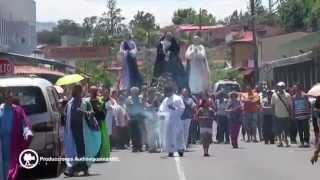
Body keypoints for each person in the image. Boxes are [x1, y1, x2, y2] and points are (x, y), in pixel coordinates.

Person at [64, 85, 101, 177]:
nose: (76, 93)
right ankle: (81, 168)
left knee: (83, 150)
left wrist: (83, 112)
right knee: (76, 150)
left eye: (77, 91)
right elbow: (65, 115)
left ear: (80, 92)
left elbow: (92, 113)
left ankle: (76, 169)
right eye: (75, 91)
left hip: (84, 131)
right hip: (73, 131)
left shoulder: (86, 102)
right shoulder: (69, 104)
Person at [0, 88, 33, 180]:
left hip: (14, 144)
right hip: (2, 144)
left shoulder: (18, 110)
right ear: (3, 97)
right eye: (7, 96)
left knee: (13, 168)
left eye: (10, 96)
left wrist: (27, 131)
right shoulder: (0, 109)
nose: (9, 98)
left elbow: (25, 123)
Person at [159, 86, 185, 157]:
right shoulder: (165, 100)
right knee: (169, 136)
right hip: (168, 121)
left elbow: (182, 108)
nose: (166, 94)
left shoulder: (178, 98)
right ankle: (170, 150)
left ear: (170, 92)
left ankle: (180, 150)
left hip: (176, 120)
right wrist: (161, 114)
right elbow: (162, 108)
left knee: (178, 135)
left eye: (166, 92)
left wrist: (174, 108)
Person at [88, 86, 110, 158]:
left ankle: (98, 154)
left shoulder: (100, 101)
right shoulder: (87, 100)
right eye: (91, 91)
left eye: (94, 91)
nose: (92, 93)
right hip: (89, 123)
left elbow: (103, 112)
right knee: (91, 139)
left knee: (98, 138)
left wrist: (98, 108)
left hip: (99, 122)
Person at [271, 82, 293, 147]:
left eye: (282, 87)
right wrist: (273, 114)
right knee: (278, 130)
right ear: (278, 87)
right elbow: (272, 105)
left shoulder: (288, 95)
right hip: (277, 115)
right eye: (279, 87)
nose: (280, 88)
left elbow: (290, 105)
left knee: (286, 129)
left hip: (286, 115)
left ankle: (286, 140)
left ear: (284, 87)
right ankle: (280, 141)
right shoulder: (274, 95)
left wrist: (291, 114)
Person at [126, 87, 145, 152]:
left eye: (136, 91)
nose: (135, 93)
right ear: (131, 92)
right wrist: (128, 117)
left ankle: (140, 147)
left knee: (139, 133)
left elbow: (142, 106)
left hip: (139, 117)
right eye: (133, 91)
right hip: (132, 117)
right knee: (133, 133)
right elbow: (127, 109)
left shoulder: (140, 98)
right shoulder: (129, 99)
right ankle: (134, 147)